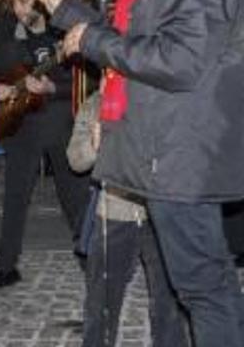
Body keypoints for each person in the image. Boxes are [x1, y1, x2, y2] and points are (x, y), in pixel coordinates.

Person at [37, 0, 244, 344]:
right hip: (167, 152)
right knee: (204, 283)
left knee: (202, 287)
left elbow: (178, 61)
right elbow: (137, 38)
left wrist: (90, 40)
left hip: (181, 156)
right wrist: (69, 13)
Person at [0, 0, 91, 292]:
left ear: (42, 2)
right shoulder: (5, 41)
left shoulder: (64, 37)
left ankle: (90, 260)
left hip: (59, 126)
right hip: (21, 128)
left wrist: (52, 87)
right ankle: (5, 268)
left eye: (26, 1)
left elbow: (89, 84)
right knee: (15, 199)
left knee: (74, 198)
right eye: (15, 2)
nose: (19, 8)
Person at [67, 90, 187, 347]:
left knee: (167, 298)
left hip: (158, 211)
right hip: (114, 211)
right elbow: (75, 160)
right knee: (101, 300)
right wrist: (93, 145)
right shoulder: (95, 105)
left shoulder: (157, 97)